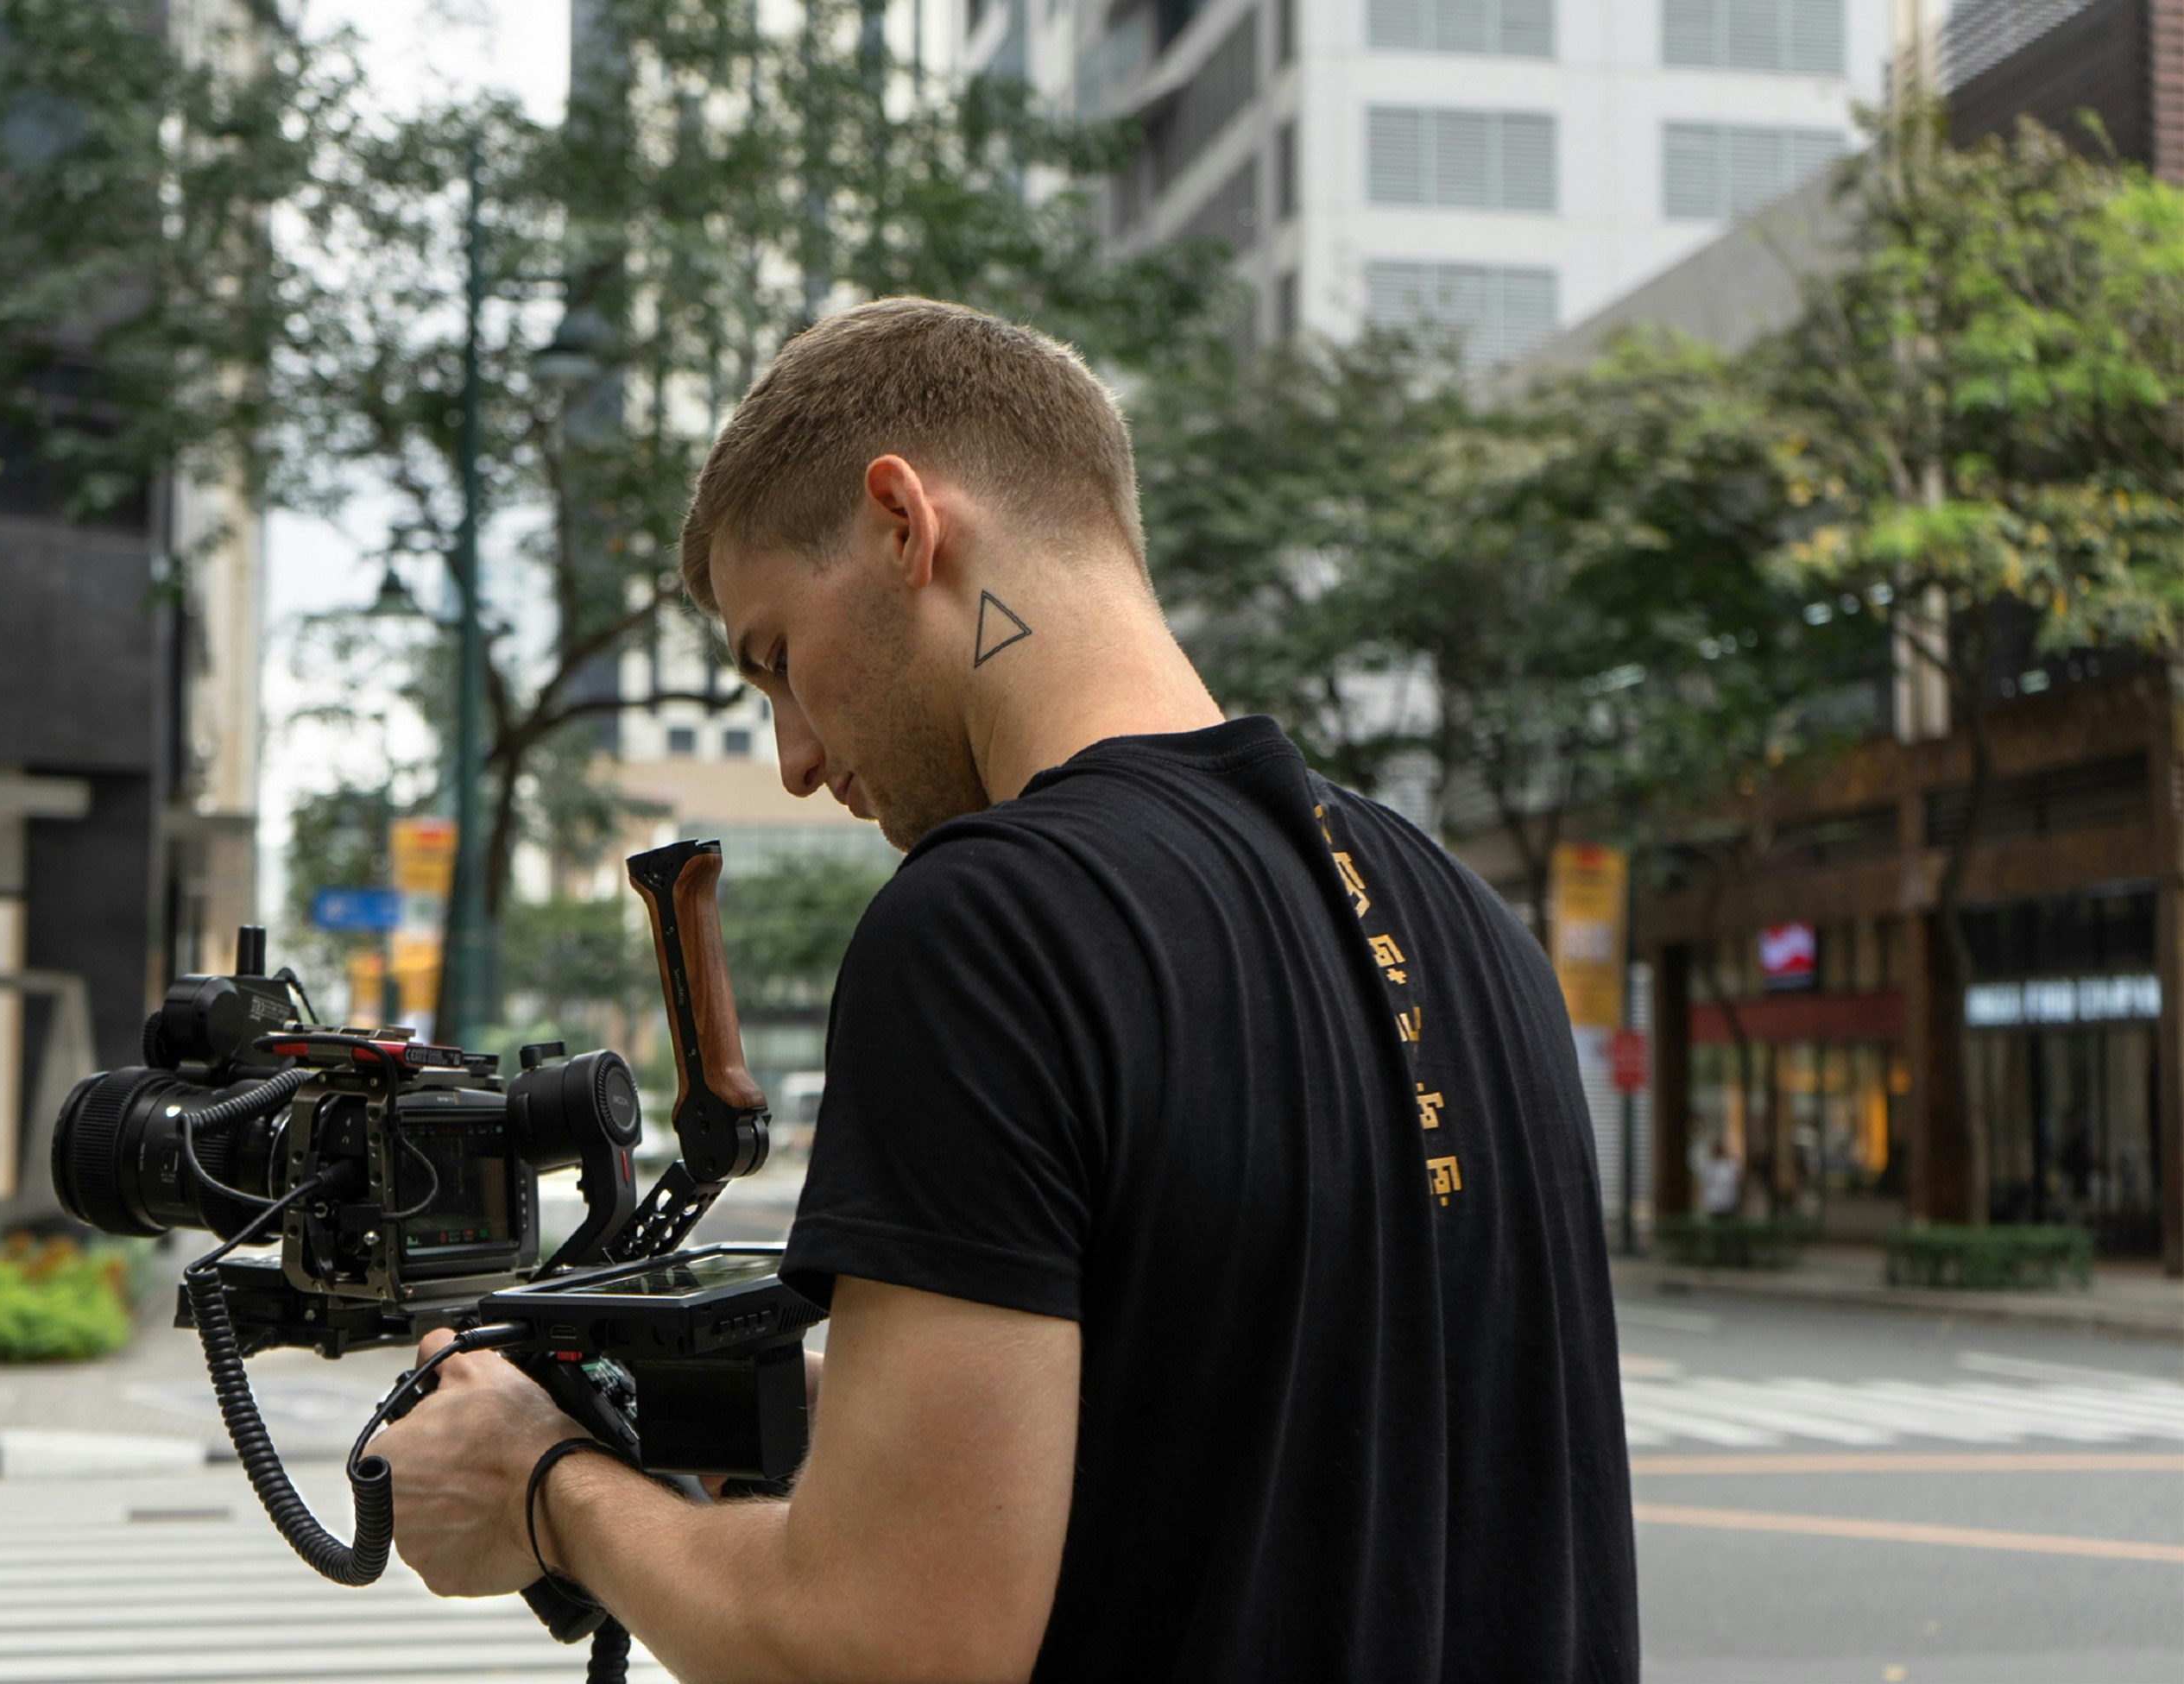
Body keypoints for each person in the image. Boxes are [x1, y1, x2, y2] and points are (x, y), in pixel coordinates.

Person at [370, 298, 1638, 1681]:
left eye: (777, 660)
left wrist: (542, 1491)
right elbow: (1264, 1419)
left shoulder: (991, 926)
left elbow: (892, 1650)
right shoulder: (1468, 918)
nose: (793, 756)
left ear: (903, 523)